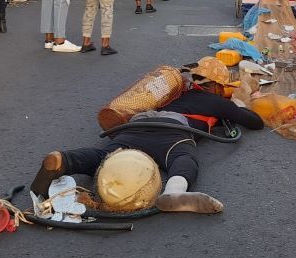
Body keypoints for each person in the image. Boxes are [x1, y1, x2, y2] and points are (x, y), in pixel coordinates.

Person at [30, 57, 264, 213]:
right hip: (174, 130)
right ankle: (174, 193)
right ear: (216, 86)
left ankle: (64, 160)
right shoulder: (214, 100)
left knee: (105, 154)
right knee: (183, 159)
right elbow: (255, 123)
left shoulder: (178, 92)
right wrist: (237, 106)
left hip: (137, 124)